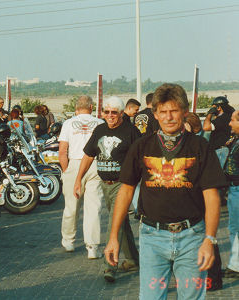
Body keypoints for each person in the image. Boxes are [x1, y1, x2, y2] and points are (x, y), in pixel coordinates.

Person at [104, 83, 227, 299]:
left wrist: (210, 239)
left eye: (174, 111)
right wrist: (114, 236)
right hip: (152, 238)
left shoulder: (200, 147)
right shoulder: (142, 146)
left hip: (192, 238)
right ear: (155, 114)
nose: (169, 117)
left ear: (184, 112)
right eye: (163, 112)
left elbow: (211, 196)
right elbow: (125, 191)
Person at [73, 96, 141, 283]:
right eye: (106, 112)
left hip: (123, 185)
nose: (110, 116)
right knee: (121, 223)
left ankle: (110, 265)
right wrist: (79, 179)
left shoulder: (131, 131)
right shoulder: (100, 129)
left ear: (121, 113)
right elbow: (88, 155)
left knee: (114, 223)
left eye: (114, 113)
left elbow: (141, 156)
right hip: (105, 184)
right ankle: (134, 260)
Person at [59, 95, 104, 259]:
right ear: (91, 107)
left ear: (76, 107)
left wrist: (66, 171)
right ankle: (92, 246)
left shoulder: (68, 123)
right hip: (94, 164)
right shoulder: (100, 123)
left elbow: (63, 150)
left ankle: (69, 240)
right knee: (93, 207)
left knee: (71, 206)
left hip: (75, 163)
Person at [223, 111, 239, 279]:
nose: (229, 123)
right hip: (233, 189)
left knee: (236, 228)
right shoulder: (235, 141)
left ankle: (236, 265)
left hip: (237, 189)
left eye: (233, 120)